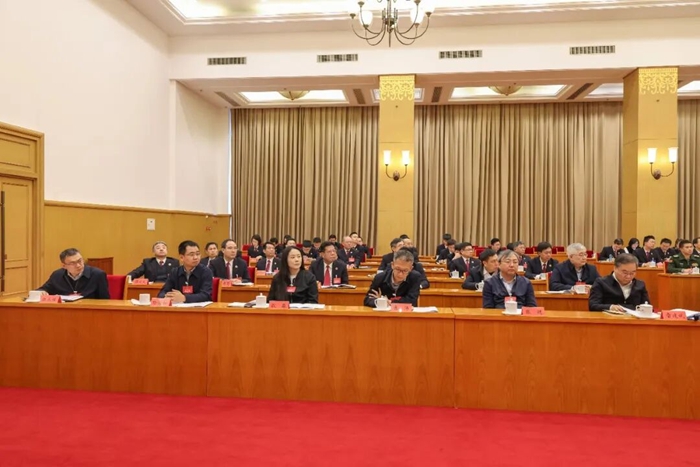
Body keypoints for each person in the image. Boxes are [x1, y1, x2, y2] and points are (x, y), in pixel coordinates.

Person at [37, 248, 109, 299]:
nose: (78, 265)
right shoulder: (57, 275)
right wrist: (42, 292)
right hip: (64, 311)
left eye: (80, 261)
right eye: (72, 263)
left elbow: (105, 300)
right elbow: (42, 290)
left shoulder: (98, 275)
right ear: (64, 266)